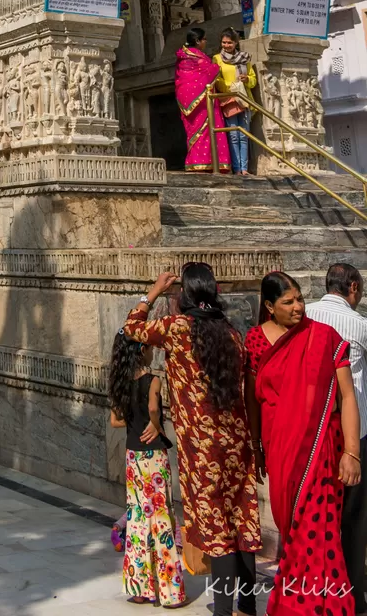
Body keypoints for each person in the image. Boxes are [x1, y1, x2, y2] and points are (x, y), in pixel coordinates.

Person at [123, 263, 262, 616]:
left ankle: (223, 610)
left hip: (202, 449)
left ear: (184, 295)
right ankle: (247, 606)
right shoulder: (231, 333)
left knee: (217, 528)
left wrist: (152, 292)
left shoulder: (176, 328)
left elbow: (131, 329)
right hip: (237, 440)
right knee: (241, 519)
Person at [245, 270, 360, 616]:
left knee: (319, 533)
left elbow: (347, 396)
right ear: (269, 306)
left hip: (322, 450)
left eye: (299, 298)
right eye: (288, 301)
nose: (298, 307)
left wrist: (351, 452)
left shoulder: (323, 336)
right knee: (289, 529)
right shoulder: (255, 341)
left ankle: (316, 607)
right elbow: (252, 401)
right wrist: (255, 447)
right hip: (278, 447)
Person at [108, 329, 186, 607]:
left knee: (138, 515)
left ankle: (139, 587)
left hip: (133, 456)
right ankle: (169, 591)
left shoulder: (120, 382)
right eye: (150, 347)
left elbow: (114, 421)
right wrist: (154, 423)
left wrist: (134, 422)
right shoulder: (153, 381)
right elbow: (154, 407)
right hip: (153, 455)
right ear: (142, 351)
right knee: (162, 516)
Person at [307, 264, 367, 614]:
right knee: (354, 520)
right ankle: (354, 597)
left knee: (318, 517)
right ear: (353, 288)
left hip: (314, 434)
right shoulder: (359, 325)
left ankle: (318, 591)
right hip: (354, 435)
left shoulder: (305, 316)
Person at [175, 25, 231, 172]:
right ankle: (208, 162)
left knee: (199, 132)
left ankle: (198, 162)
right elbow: (207, 72)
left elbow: (182, 79)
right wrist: (216, 67)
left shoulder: (183, 57)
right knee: (205, 130)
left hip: (191, 99)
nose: (206, 42)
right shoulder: (197, 58)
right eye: (204, 39)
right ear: (197, 41)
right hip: (202, 102)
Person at [213, 29, 257, 177]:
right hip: (228, 98)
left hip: (244, 99)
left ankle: (244, 168)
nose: (226, 45)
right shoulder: (217, 59)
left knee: (244, 135)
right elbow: (216, 79)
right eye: (224, 42)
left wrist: (247, 80)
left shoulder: (244, 58)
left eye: (229, 42)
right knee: (233, 135)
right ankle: (236, 168)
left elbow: (253, 79)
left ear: (236, 43)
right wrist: (229, 86)